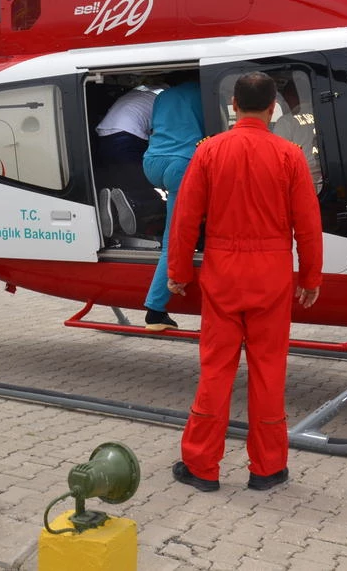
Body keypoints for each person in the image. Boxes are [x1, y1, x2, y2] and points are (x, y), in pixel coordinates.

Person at [166, 72, 323, 492]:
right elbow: (308, 224)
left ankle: (202, 466)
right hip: (272, 275)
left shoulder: (209, 152)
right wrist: (310, 276)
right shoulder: (290, 155)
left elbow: (184, 220)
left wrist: (178, 272)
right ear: (274, 107)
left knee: (215, 370)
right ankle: (268, 467)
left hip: (222, 272)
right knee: (269, 370)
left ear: (233, 105)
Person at [140, 72, 205, 330]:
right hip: (182, 164)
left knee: (177, 219)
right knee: (175, 241)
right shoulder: (204, 93)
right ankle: (155, 312)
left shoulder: (163, 96)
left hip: (153, 162)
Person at [94, 84, 163, 235]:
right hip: (129, 135)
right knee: (145, 185)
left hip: (104, 135)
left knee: (122, 183)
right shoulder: (166, 100)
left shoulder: (143, 91)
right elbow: (164, 134)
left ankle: (111, 205)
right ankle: (134, 201)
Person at [272, 78, 322, 189]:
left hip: (303, 181)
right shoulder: (322, 115)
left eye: (285, 99)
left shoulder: (285, 122)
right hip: (325, 175)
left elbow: (278, 159)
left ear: (290, 97)